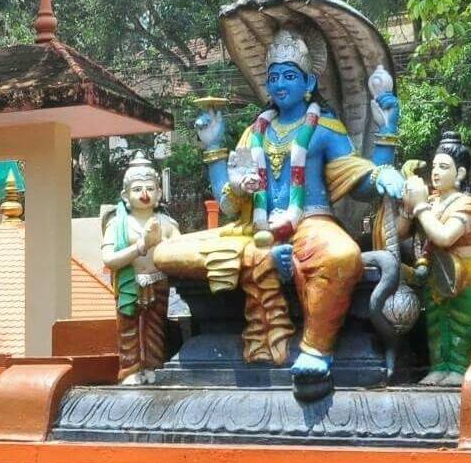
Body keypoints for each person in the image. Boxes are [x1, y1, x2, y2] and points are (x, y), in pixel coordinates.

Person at [154, 22, 405, 395]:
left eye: (290, 75)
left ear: (308, 84)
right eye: (274, 77)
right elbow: (227, 202)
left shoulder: (323, 128)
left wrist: (386, 144)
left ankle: (316, 351)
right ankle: (269, 260)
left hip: (311, 222)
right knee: (164, 252)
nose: (280, 83)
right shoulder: (254, 133)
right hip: (254, 230)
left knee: (341, 256)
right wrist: (213, 147)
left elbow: (363, 187)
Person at [401, 132, 471, 385]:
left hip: (465, 273)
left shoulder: (466, 204)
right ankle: (438, 366)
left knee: (460, 320)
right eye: (434, 166)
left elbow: (445, 237)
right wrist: (407, 202)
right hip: (435, 272)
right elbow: (401, 231)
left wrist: (421, 207)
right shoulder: (432, 201)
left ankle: (458, 368)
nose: (436, 172)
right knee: (435, 321)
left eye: (444, 167)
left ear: (460, 174)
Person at [101, 152, 179, 383]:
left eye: (149, 188)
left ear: (159, 192)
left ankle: (154, 367)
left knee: (156, 328)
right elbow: (108, 259)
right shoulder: (117, 224)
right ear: (125, 195)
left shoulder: (167, 223)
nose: (144, 194)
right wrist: (141, 246)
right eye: (137, 189)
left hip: (159, 282)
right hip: (129, 284)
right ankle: (130, 370)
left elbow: (180, 252)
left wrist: (163, 244)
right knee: (128, 330)